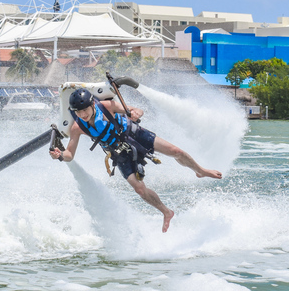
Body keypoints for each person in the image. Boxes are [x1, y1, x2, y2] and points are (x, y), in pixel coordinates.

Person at [50, 88, 222, 232]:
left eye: (85, 110)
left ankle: (200, 170)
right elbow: (70, 154)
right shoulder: (77, 127)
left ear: (92, 104)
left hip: (134, 134)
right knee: (139, 189)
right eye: (78, 112)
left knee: (175, 151)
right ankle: (166, 212)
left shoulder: (106, 106)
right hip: (118, 152)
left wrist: (135, 112)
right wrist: (60, 155)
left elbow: (135, 110)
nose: (82, 114)